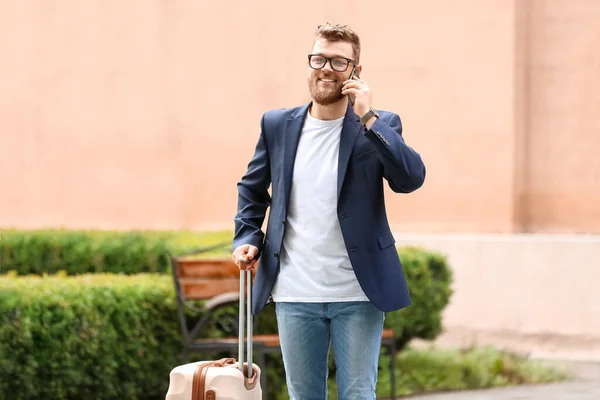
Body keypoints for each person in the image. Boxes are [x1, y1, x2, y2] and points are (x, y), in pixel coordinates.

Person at [231, 22, 426, 400]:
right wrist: (247, 237)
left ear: (356, 71)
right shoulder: (277, 125)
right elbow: (252, 189)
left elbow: (410, 179)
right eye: (319, 58)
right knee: (303, 396)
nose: (326, 69)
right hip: (294, 291)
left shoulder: (380, 124)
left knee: (357, 394)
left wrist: (368, 118)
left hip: (357, 291)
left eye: (339, 62)